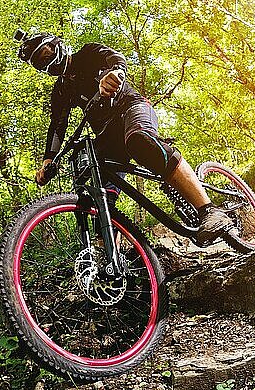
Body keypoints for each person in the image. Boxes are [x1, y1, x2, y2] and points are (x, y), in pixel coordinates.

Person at [15, 30, 233, 244]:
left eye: (46, 54)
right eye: (40, 64)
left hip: (131, 107)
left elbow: (115, 58)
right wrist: (48, 161)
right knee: (100, 191)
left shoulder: (88, 53)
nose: (47, 63)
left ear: (57, 44)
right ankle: (111, 259)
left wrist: (115, 73)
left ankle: (210, 211)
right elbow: (57, 125)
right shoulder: (62, 90)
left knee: (140, 141)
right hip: (106, 134)